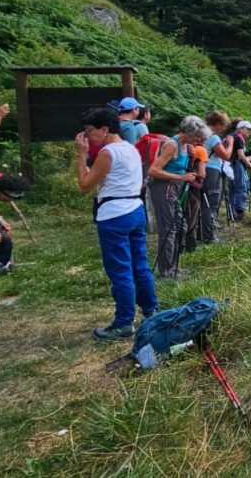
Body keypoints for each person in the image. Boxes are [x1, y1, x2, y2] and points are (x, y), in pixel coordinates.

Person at [74, 107, 157, 340]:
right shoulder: (131, 149)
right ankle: (151, 312)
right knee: (140, 265)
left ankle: (124, 323)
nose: (87, 136)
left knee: (120, 270)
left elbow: (84, 185)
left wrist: (81, 154)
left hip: (114, 215)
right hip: (135, 209)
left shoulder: (107, 153)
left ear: (104, 129)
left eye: (90, 131)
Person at [147, 116, 210, 279]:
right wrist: (180, 177)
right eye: (197, 137)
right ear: (188, 132)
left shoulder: (185, 146)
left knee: (181, 227)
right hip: (164, 189)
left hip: (174, 190)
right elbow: (153, 170)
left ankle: (173, 267)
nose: (198, 141)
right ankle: (167, 272)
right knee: (168, 229)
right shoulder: (171, 145)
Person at [201, 111, 233, 243]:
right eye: (223, 125)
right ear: (218, 123)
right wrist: (230, 143)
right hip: (212, 171)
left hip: (201, 169)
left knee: (202, 203)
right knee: (211, 203)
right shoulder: (213, 137)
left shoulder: (201, 134)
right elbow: (226, 155)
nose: (224, 129)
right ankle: (208, 236)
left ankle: (199, 233)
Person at [227, 119, 251, 222]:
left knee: (232, 189)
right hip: (236, 165)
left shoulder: (233, 136)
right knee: (241, 187)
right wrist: (249, 164)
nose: (250, 131)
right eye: (248, 129)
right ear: (241, 129)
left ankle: (231, 213)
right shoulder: (239, 138)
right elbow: (240, 154)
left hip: (230, 165)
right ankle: (239, 212)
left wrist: (247, 159)